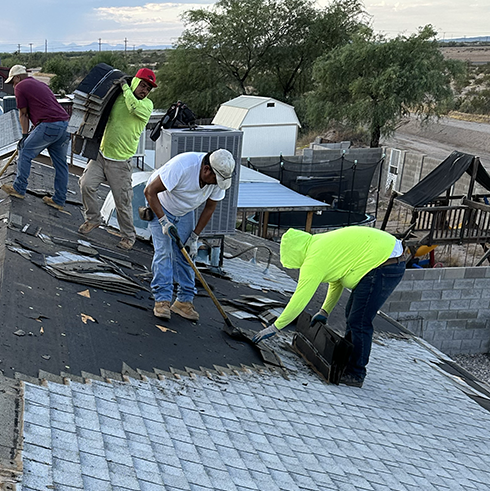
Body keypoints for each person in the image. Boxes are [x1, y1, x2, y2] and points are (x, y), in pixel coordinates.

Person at [252, 226, 407, 387]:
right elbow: (336, 281)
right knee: (353, 314)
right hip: (386, 257)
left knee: (359, 320)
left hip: (385, 263)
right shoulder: (318, 244)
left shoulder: (313, 261)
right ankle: (348, 363)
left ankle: (356, 374)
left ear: (294, 254)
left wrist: (275, 327)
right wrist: (324, 311)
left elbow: (299, 300)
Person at [143, 149, 235, 321]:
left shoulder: (216, 180)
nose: (216, 184)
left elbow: (209, 208)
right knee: (164, 252)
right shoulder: (183, 166)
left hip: (185, 211)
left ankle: (184, 302)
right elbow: (149, 191)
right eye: (215, 179)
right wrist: (163, 221)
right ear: (206, 169)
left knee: (187, 255)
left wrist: (194, 237)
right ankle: (162, 300)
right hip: (160, 205)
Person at [79, 68, 157, 251]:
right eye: (142, 85)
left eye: (148, 88)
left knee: (122, 201)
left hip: (120, 161)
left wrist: (125, 88)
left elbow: (133, 107)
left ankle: (128, 236)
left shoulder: (146, 106)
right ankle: (93, 219)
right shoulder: (120, 95)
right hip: (101, 153)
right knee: (86, 184)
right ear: (135, 82)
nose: (144, 90)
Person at [1, 65, 71, 214]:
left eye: (12, 81)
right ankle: (59, 200)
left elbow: (23, 114)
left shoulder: (20, 86)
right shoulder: (40, 84)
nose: (13, 85)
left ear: (17, 78)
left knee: (25, 151)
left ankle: (19, 188)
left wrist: (25, 136)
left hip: (49, 125)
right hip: (64, 125)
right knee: (61, 164)